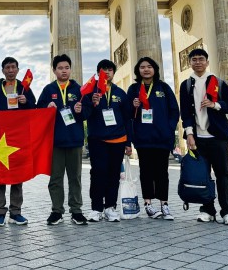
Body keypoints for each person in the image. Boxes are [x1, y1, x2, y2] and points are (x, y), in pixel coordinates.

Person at [180, 49, 228, 226]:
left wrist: (215, 104)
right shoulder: (186, 85)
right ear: (190, 62)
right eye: (194, 59)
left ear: (207, 62)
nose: (198, 62)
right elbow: (185, 113)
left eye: (201, 59)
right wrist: (189, 134)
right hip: (198, 138)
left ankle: (227, 211)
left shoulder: (218, 82)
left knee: (222, 175)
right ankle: (207, 210)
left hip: (217, 136)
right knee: (202, 176)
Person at [37, 54, 88, 225]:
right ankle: (57, 211)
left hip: (74, 140)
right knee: (56, 179)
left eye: (67, 68)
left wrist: (81, 111)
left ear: (70, 69)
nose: (64, 71)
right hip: (55, 142)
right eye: (60, 68)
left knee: (75, 178)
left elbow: (87, 113)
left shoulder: (79, 90)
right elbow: (38, 111)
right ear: (54, 70)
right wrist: (46, 107)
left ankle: (76, 211)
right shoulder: (48, 90)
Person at [127, 57, 179, 220]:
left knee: (162, 172)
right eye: (142, 67)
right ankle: (148, 204)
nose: (146, 69)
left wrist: (169, 128)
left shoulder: (163, 87)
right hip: (143, 139)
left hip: (162, 138)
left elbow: (174, 110)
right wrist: (133, 106)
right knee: (146, 172)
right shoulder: (134, 89)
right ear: (138, 70)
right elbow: (127, 114)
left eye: (149, 66)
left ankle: (164, 204)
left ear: (155, 69)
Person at [0, 57, 36, 226]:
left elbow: (34, 108)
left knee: (17, 174)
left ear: (17, 69)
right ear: (2, 70)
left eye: (13, 67)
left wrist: (26, 102)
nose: (10, 70)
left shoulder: (24, 88)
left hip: (18, 137)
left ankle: (16, 212)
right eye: (7, 67)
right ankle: (0, 212)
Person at [84, 59, 131, 223]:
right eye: (103, 70)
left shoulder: (120, 93)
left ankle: (110, 207)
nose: (107, 72)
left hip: (118, 140)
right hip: (97, 140)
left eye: (110, 70)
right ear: (98, 73)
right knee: (98, 174)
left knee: (113, 174)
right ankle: (96, 208)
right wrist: (92, 104)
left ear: (113, 73)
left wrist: (128, 142)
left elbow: (127, 119)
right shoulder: (91, 92)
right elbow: (84, 115)